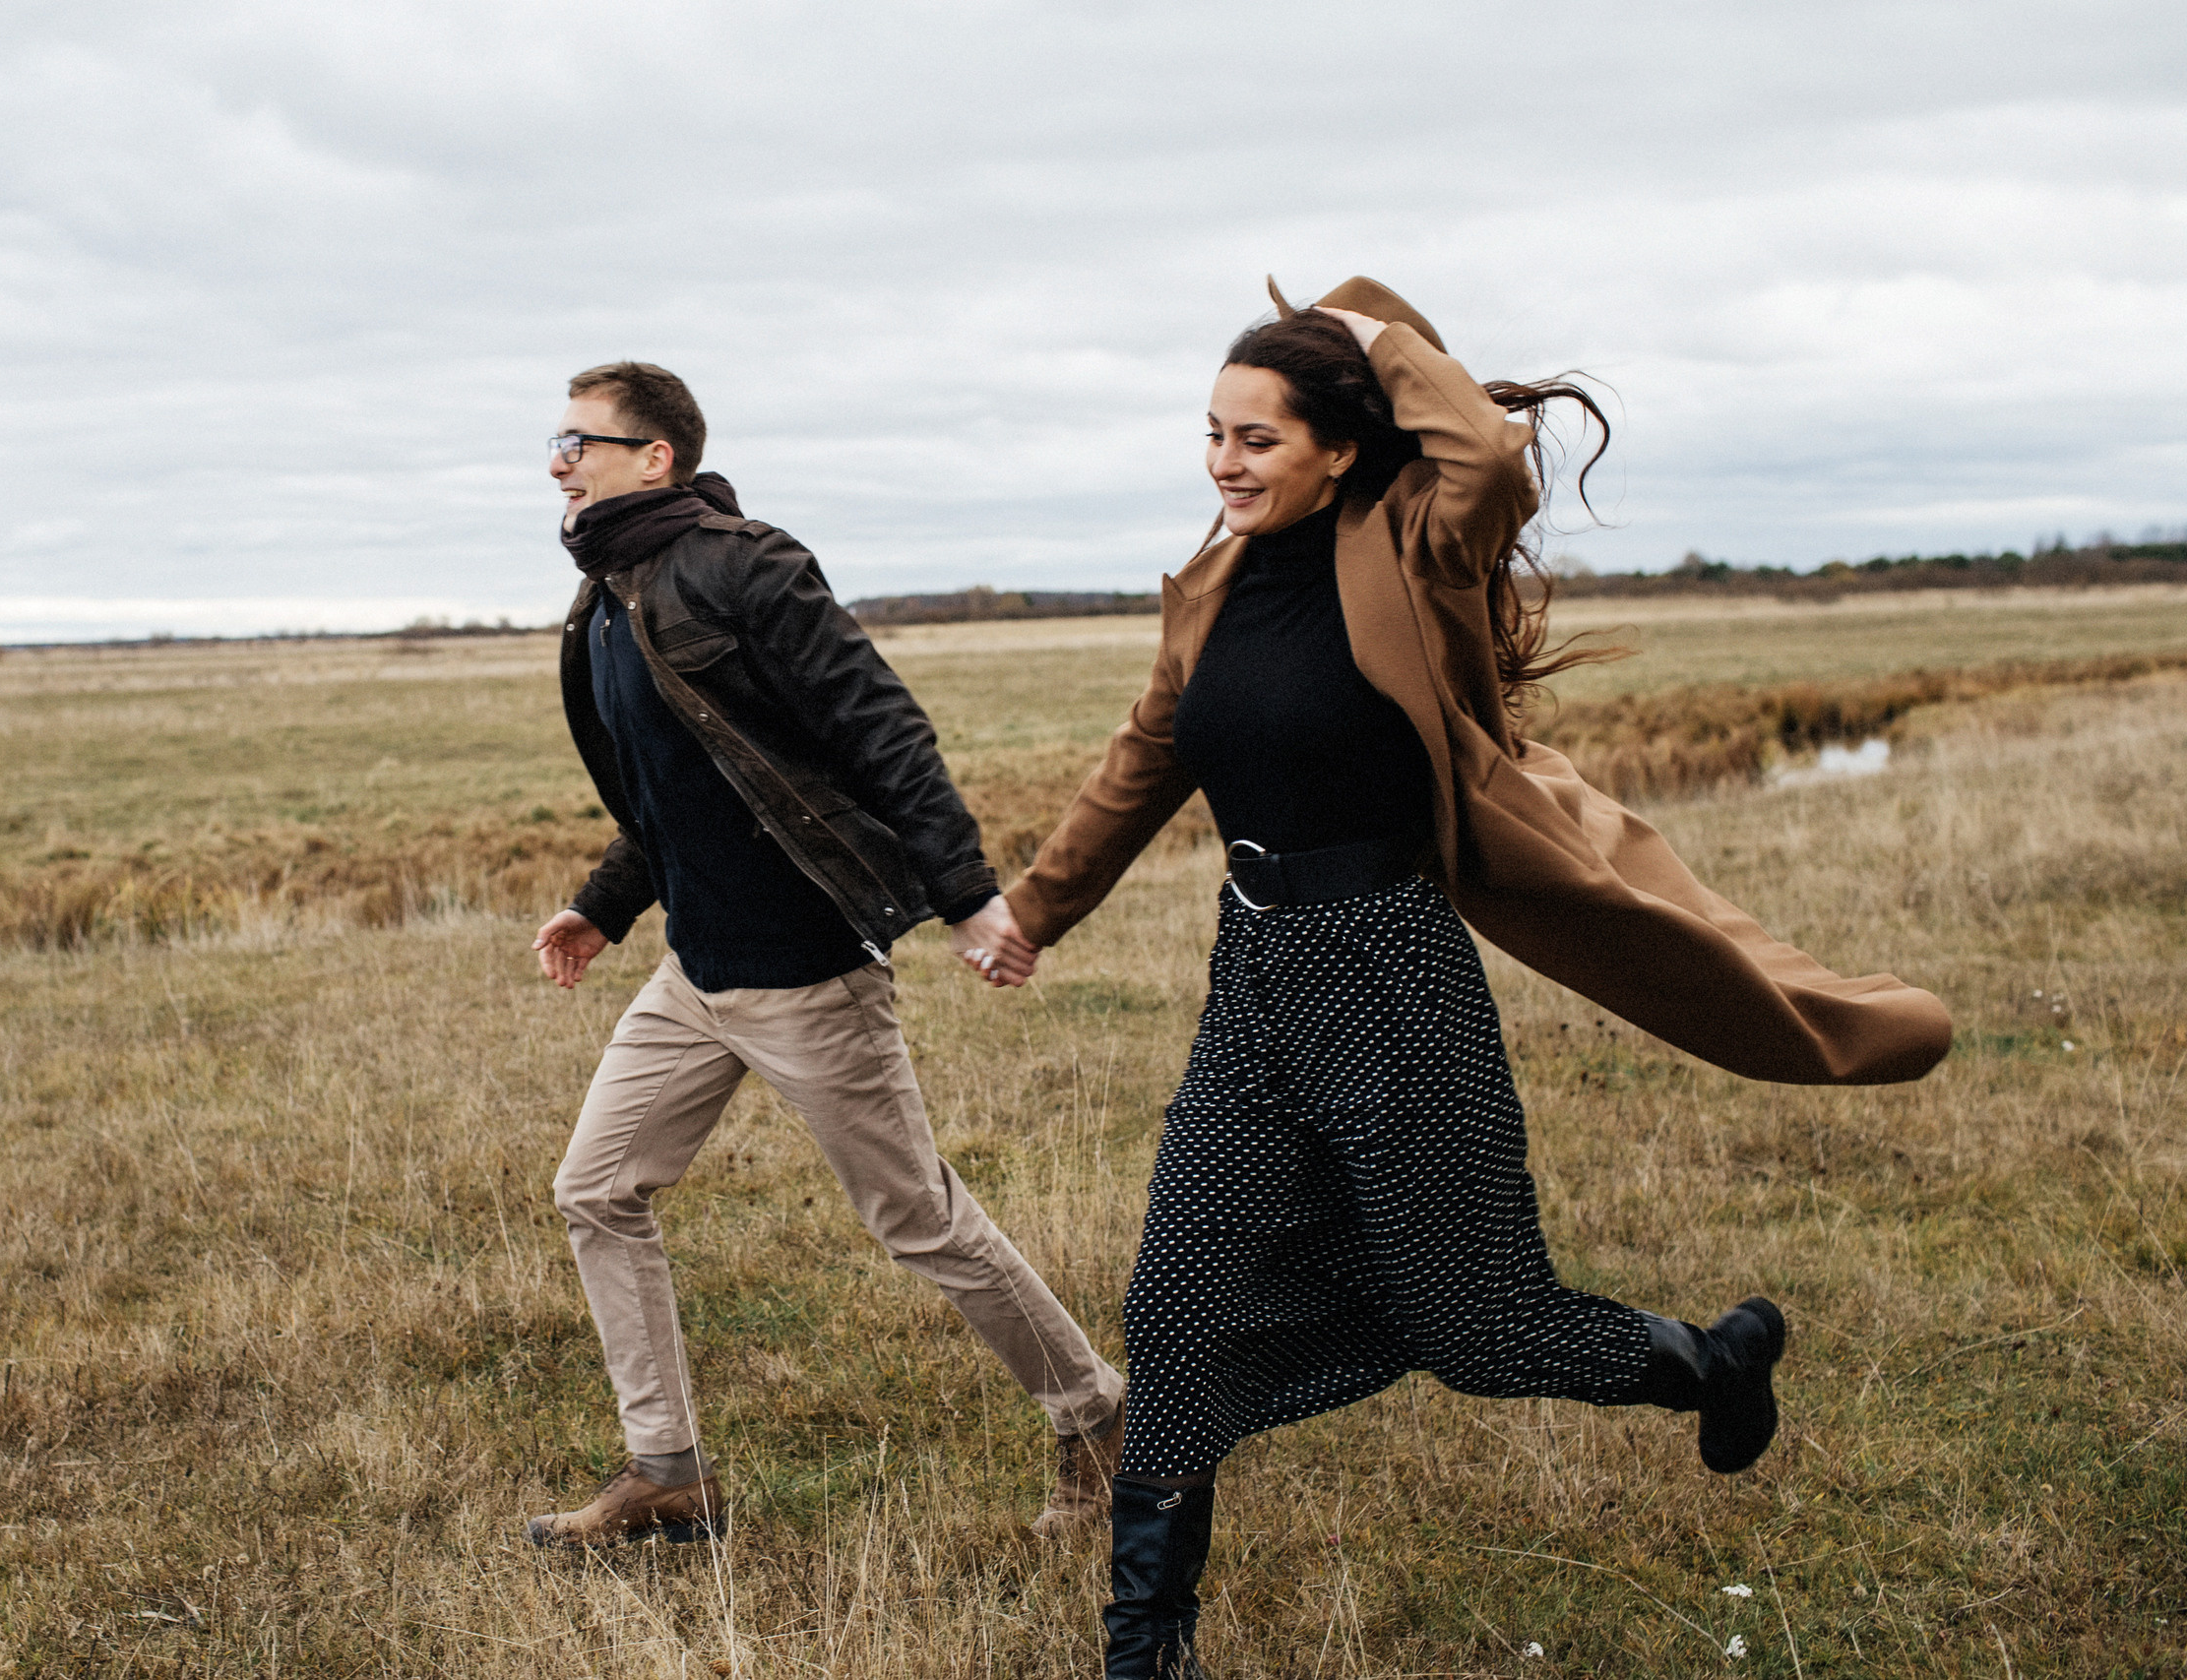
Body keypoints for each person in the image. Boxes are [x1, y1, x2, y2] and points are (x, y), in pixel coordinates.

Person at [1000, 280, 1954, 1676]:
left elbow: (1491, 457)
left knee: (1481, 1324)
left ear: (1339, 444)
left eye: (1257, 437)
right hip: (1255, 972)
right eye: (1212, 433)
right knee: (1180, 1302)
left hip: (1388, 972)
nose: (1223, 462)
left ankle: (1708, 1362)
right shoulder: (1210, 584)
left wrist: (1376, 332)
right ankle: (1146, 1646)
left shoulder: (1417, 547)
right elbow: (1148, 756)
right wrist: (1036, 907)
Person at [525, 359, 1125, 1548]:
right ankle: (670, 1476)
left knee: (919, 1219)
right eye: (554, 442)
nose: (556, 461)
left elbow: (878, 726)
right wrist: (605, 904)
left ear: (656, 458)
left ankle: (1096, 1413)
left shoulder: (746, 565)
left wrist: (964, 894)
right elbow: (680, 789)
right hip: (695, 974)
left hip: (805, 971)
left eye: (576, 440)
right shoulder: (606, 604)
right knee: (596, 1190)